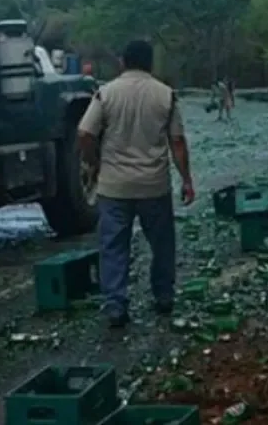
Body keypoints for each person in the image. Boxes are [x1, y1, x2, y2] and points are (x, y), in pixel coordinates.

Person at [77, 40, 195, 328]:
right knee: (162, 244)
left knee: (114, 245)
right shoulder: (165, 95)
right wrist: (187, 180)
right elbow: (177, 142)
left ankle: (116, 305)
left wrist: (94, 162)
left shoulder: (106, 93)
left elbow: (84, 133)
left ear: (122, 62)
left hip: (114, 187)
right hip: (153, 186)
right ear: (150, 63)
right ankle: (163, 296)